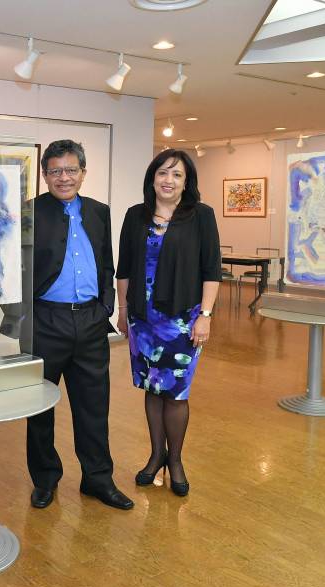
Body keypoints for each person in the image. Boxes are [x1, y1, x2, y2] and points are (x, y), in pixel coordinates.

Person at [27, 139, 133, 511]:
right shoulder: (29, 212)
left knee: (93, 405)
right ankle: (45, 480)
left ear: (83, 173)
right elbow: (15, 268)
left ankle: (97, 480)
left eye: (71, 170)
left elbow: (107, 262)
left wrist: (106, 304)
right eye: (54, 171)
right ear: (44, 176)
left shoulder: (99, 212)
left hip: (89, 320)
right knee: (39, 406)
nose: (63, 177)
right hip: (45, 320)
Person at [116, 149, 221, 497]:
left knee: (175, 392)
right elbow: (125, 268)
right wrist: (122, 309)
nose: (169, 180)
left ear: (187, 181)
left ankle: (174, 460)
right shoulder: (135, 216)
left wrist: (205, 316)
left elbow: (211, 270)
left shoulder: (201, 216)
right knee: (152, 387)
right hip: (143, 318)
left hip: (182, 321)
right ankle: (155, 455)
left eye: (177, 175)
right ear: (152, 178)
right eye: (163, 173)